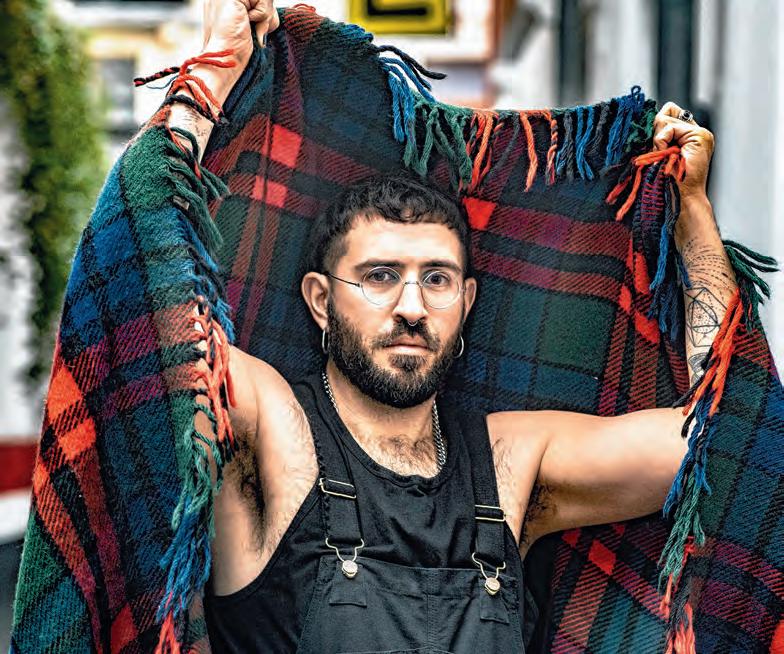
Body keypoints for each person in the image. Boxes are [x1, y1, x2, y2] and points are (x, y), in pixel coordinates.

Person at [169, 1, 733, 652]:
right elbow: (149, 314)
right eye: (380, 276)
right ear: (321, 301)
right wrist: (214, 73)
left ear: (466, 303)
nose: (411, 306)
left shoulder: (514, 463)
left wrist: (692, 215)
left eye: (436, 279)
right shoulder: (273, 430)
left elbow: (719, 440)